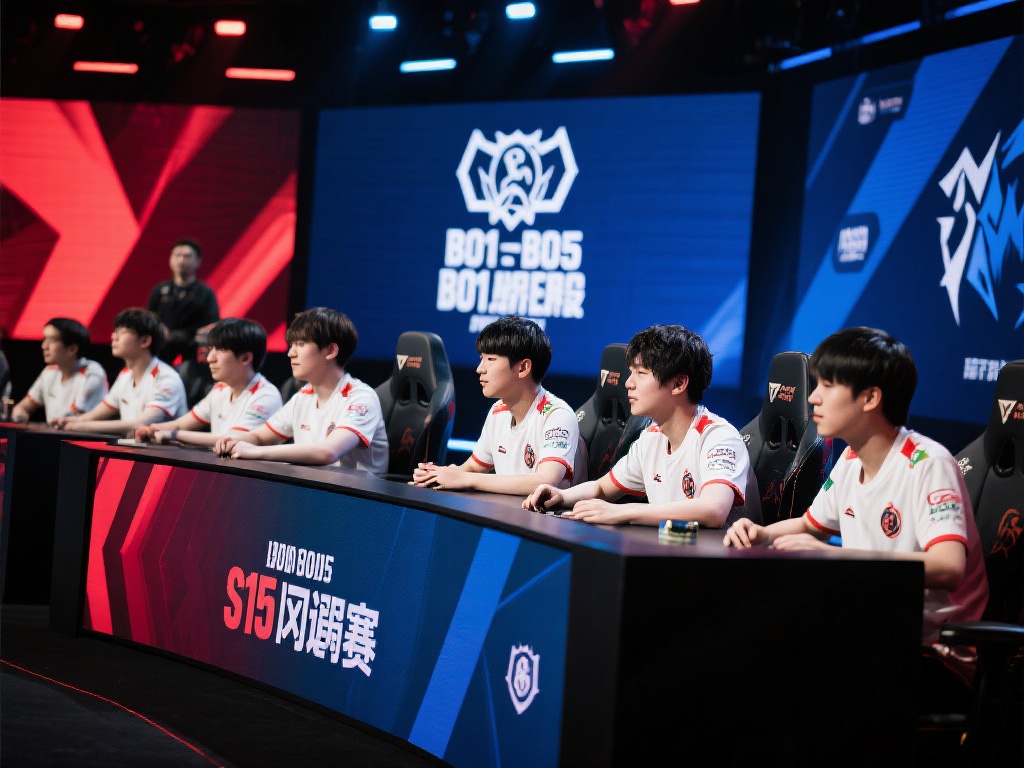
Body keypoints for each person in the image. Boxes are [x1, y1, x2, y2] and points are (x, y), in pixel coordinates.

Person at [723, 327, 988, 646]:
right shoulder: (850, 459)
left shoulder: (928, 464)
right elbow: (810, 526)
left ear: (871, 398)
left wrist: (839, 557)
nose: (813, 398)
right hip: (869, 630)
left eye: (828, 386)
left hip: (931, 650)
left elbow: (948, 567)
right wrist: (762, 534)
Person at [524, 324, 759, 527]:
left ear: (679, 384)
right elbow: (602, 489)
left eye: (641, 373)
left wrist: (623, 512)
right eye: (631, 372)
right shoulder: (652, 437)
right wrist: (561, 496)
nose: (628, 383)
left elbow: (714, 510)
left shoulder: (718, 437)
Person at [412, 315, 583, 495]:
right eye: (482, 358)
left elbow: (546, 481)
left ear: (523, 368)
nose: (480, 368)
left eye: (491, 359)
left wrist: (466, 479)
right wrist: (437, 475)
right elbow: (473, 468)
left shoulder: (557, 415)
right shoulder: (497, 412)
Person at [214, 307, 388, 473]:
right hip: (313, 487)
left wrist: (255, 451)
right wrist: (234, 439)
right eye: (292, 345)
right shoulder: (303, 397)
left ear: (331, 350)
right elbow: (259, 437)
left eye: (300, 344)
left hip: (356, 493)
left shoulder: (361, 397)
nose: (291, 353)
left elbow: (328, 452)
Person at [134, 318, 282, 448]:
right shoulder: (220, 389)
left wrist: (174, 434)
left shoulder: (266, 396)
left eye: (220, 350)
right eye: (211, 349)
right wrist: (153, 428)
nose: (210, 358)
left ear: (245, 358)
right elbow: (180, 424)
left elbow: (231, 440)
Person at [53, 308, 186, 434]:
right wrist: (69, 421)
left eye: (122, 332)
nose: (113, 337)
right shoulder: (125, 375)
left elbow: (140, 424)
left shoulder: (166, 378)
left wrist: (76, 426)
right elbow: (93, 416)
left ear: (145, 341)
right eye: (115, 331)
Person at [9, 318, 108, 424]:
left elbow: (73, 419)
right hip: (54, 432)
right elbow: (23, 407)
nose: (44, 346)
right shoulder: (49, 372)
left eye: (52, 341)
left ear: (72, 349)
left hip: (80, 434)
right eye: (44, 339)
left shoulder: (92, 373)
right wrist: (19, 417)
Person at [148, 238, 219, 366]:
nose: (181, 260)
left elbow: (212, 325)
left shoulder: (205, 293)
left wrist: (186, 335)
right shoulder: (160, 290)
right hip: (161, 351)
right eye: (177, 255)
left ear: (198, 261)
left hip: (192, 353)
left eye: (187, 256)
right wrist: (161, 329)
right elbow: (149, 317)